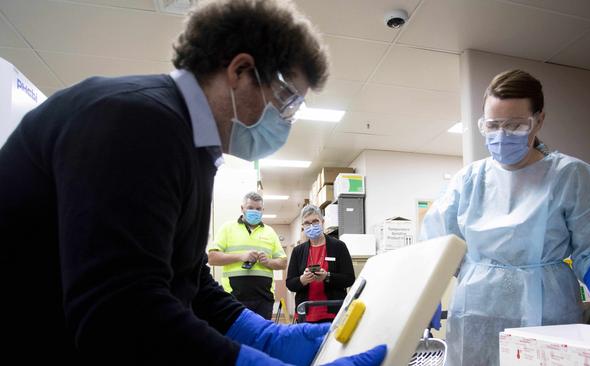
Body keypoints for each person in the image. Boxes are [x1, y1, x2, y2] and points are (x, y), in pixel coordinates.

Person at [0, 0, 386, 364]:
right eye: (286, 100)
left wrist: (269, 337)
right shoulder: (137, 121)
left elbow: (189, 281)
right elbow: (121, 312)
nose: (287, 119)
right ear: (239, 70)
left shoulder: (191, 147)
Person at [422, 69, 590, 366]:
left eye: (516, 125)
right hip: (476, 310)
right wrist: (427, 293)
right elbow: (436, 243)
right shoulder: (469, 180)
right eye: (493, 125)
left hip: (548, 309)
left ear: (539, 120)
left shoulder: (570, 176)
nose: (502, 135)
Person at [208, 192, 287, 319]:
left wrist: (268, 262)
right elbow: (212, 258)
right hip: (233, 298)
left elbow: (283, 263)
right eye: (250, 208)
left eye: (258, 209)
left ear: (263, 210)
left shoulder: (270, 232)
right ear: (242, 208)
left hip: (264, 299)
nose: (254, 211)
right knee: (235, 338)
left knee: (261, 337)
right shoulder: (227, 228)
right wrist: (241, 256)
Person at [287, 204, 355, 323]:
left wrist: (327, 276)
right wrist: (303, 280)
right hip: (306, 314)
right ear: (303, 226)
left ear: (322, 222)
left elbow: (349, 279)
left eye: (315, 221)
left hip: (333, 313)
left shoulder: (338, 246)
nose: (311, 226)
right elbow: (290, 283)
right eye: (307, 223)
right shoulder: (298, 251)